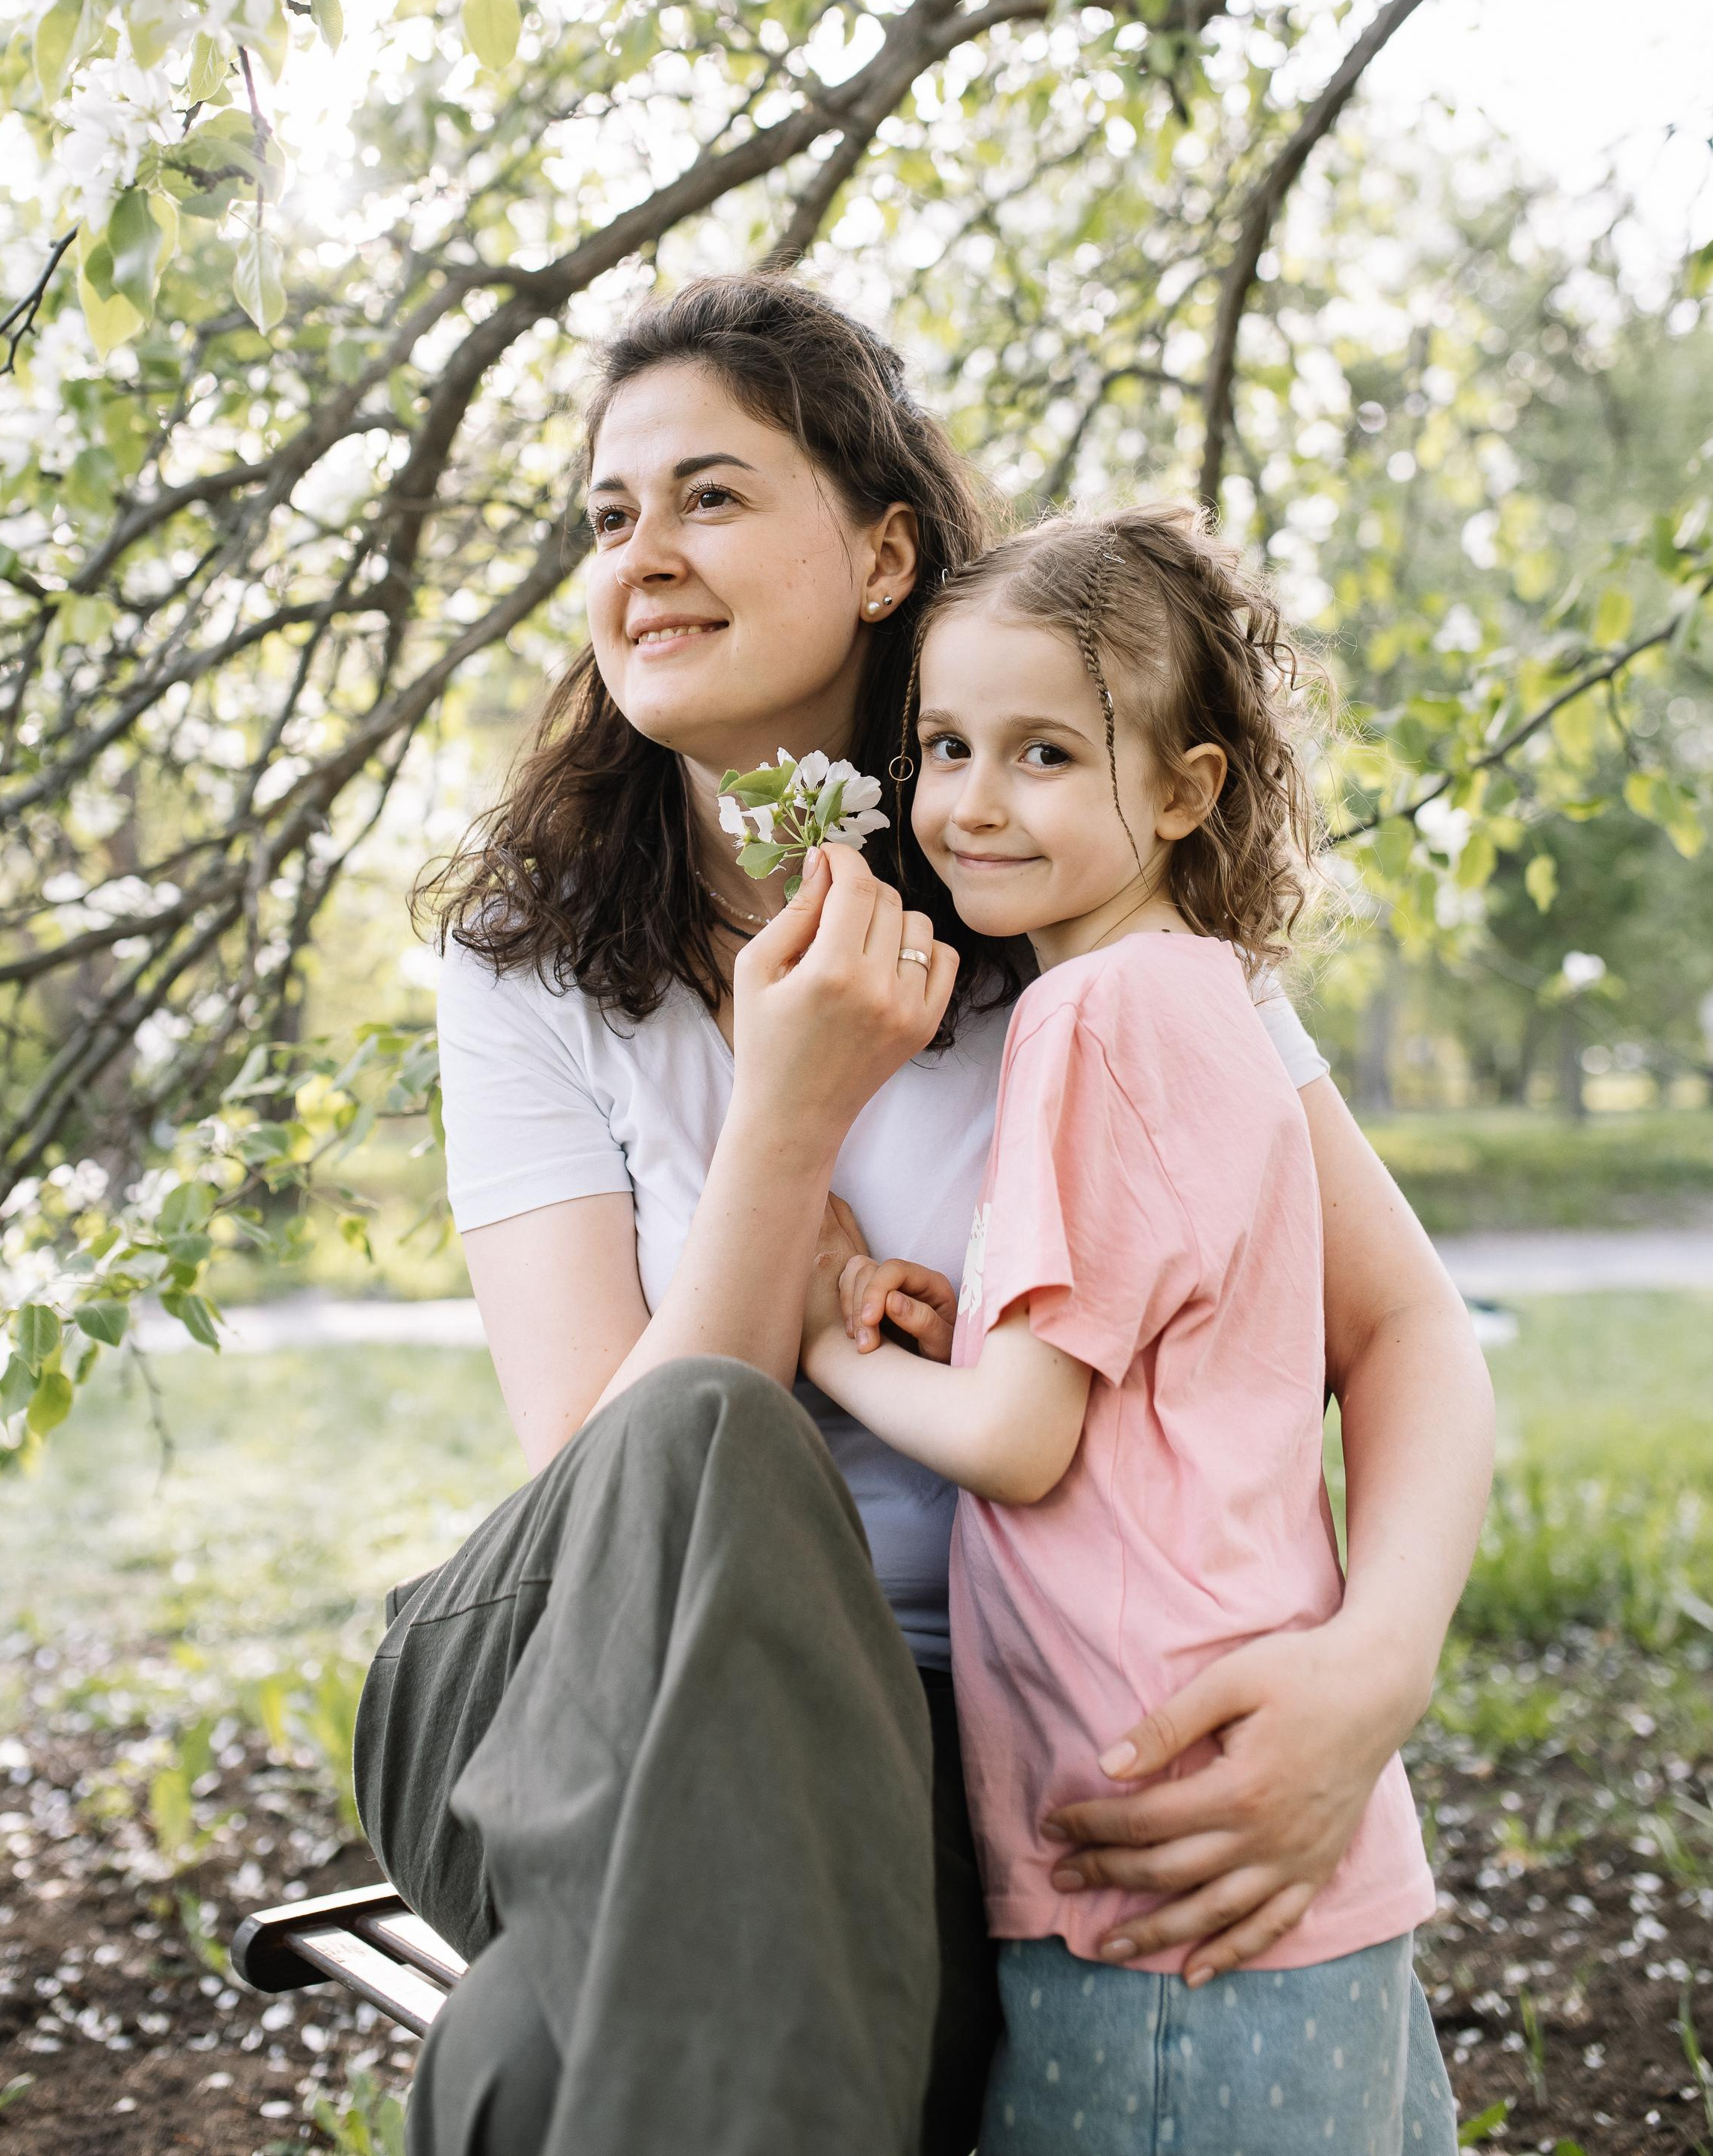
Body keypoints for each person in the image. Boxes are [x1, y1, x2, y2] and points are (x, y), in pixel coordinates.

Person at [352, 273, 1494, 2156]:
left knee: (545, 2058)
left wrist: (1370, 1675)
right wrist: (787, 1111)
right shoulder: (529, 963)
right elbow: (611, 1496)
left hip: (966, 1747)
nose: (643, 553)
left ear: (885, 552)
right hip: (572, 1701)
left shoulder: (1085, 892)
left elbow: (1403, 1330)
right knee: (709, 1426)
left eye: (709, 495)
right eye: (607, 515)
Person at [803, 505, 1459, 2155]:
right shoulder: (1208, 994)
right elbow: (1161, 1364)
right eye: (945, 743)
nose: (969, 798)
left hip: (1153, 1833)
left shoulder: (1084, 1011)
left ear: (1184, 787)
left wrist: (828, 1342)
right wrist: (957, 1341)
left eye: (1041, 752)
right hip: (1278, 1791)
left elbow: (1023, 1442)